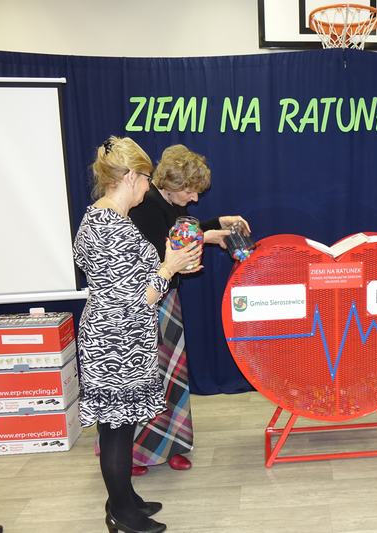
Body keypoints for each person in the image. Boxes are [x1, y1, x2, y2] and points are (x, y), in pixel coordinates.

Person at [73, 136, 200, 533]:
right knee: (116, 431)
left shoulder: (98, 217)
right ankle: (121, 514)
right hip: (116, 343)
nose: (148, 186)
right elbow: (137, 298)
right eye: (146, 178)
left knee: (120, 427)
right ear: (129, 177)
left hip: (114, 336)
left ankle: (125, 499)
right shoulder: (112, 227)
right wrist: (169, 267)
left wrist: (169, 265)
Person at [127, 144, 250, 475]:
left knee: (172, 378)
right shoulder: (145, 206)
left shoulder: (168, 202)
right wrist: (205, 238)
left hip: (167, 299)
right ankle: (134, 453)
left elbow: (183, 231)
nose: (194, 198)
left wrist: (217, 224)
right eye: (190, 191)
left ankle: (172, 445)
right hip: (147, 301)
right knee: (149, 378)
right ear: (170, 183)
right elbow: (161, 252)